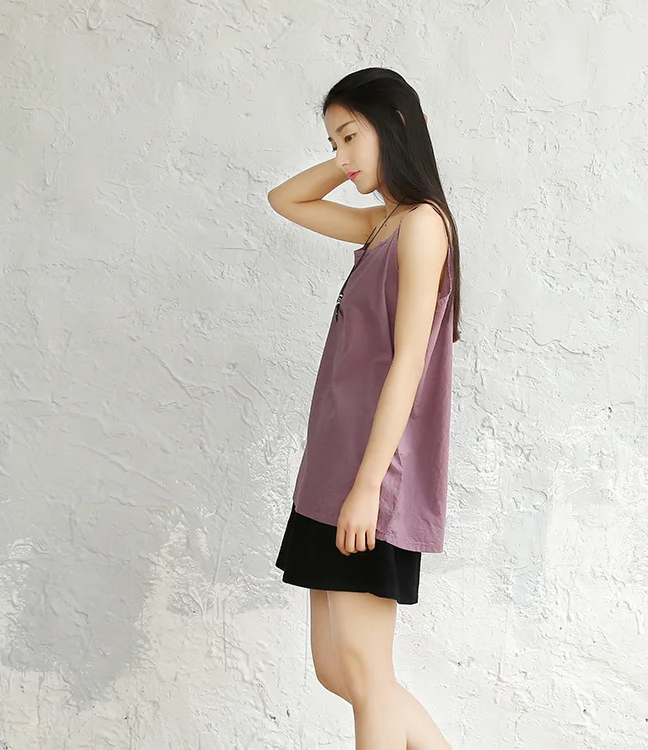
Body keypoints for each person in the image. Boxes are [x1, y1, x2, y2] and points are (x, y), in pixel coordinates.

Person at [267, 67, 461, 750]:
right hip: (333, 468)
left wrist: (368, 486)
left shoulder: (422, 226)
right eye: (332, 141)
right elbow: (285, 199)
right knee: (338, 670)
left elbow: (409, 362)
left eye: (350, 136)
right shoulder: (384, 223)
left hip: (369, 476)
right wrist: (349, 155)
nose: (342, 157)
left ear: (397, 125)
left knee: (367, 676)